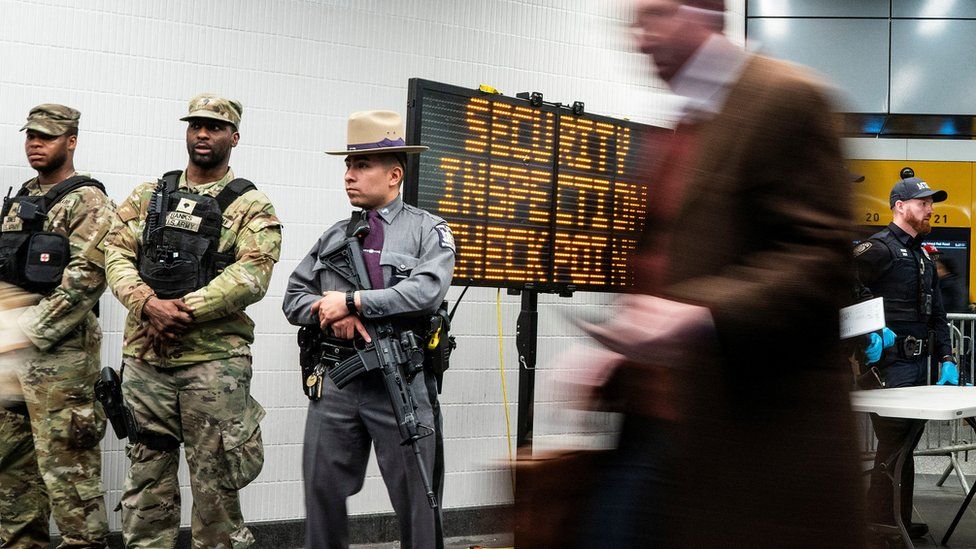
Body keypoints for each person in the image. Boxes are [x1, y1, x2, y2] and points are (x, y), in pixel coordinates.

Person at [571, 1, 866, 546]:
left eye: (654, 16)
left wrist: (700, 316)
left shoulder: (787, 97)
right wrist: (624, 350)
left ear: (704, 13)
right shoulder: (683, 123)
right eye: (633, 22)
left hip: (752, 437)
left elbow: (821, 257)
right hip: (663, 423)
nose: (638, 38)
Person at [104, 94, 281, 548]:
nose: (203, 133)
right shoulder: (149, 195)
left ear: (234, 137)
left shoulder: (252, 206)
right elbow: (115, 252)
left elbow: (252, 274)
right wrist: (147, 303)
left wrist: (182, 310)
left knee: (215, 488)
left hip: (213, 366)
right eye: (196, 125)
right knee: (147, 482)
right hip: (146, 363)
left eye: (215, 127)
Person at [282, 110, 455, 549]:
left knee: (419, 500)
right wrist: (329, 309)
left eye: (362, 166)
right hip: (339, 384)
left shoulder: (427, 230)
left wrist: (355, 301)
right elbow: (293, 298)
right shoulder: (335, 237)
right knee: (320, 493)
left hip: (400, 381)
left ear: (394, 174)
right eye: (348, 165)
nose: (349, 176)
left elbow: (427, 292)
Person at [0, 104, 113, 548]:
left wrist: (18, 330)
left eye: (46, 137)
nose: (34, 144)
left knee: (69, 477)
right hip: (11, 362)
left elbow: (85, 282)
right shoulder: (21, 197)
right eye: (30, 135)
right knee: (12, 478)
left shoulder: (90, 203)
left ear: (71, 141)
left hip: (60, 363)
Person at [854, 172, 958, 538]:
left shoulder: (924, 257)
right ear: (900, 207)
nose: (930, 209)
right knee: (896, 442)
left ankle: (892, 518)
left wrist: (947, 358)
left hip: (918, 366)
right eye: (923, 203)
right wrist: (868, 326)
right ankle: (883, 521)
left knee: (903, 444)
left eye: (931, 203)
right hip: (887, 366)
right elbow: (843, 283)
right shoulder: (879, 248)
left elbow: (939, 315)